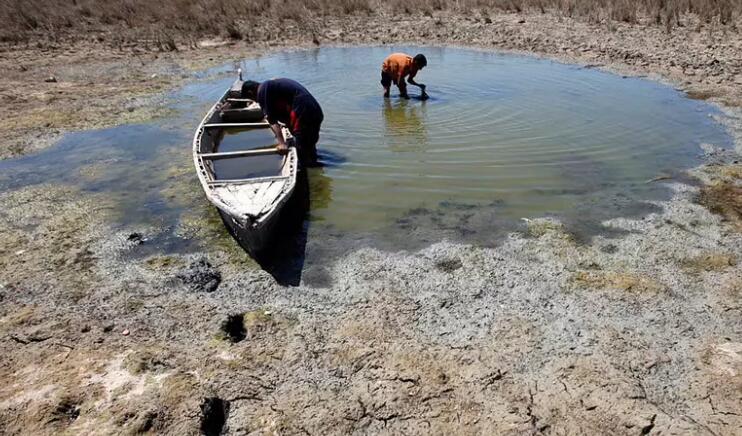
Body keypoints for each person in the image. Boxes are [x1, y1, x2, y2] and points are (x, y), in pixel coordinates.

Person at [241, 78, 324, 166]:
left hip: (303, 112)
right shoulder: (271, 85)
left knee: (301, 152)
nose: (256, 101)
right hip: (315, 111)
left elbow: (272, 120)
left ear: (251, 92)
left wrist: (282, 143)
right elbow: (284, 112)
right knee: (310, 146)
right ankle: (316, 167)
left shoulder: (263, 91)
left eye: (252, 99)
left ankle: (308, 172)